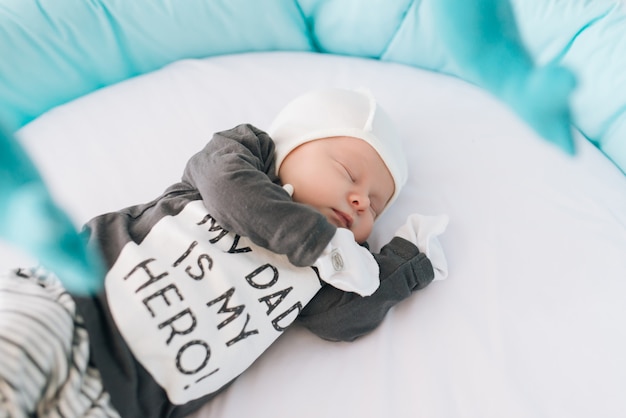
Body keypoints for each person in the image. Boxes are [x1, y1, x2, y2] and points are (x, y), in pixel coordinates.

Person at [0, 88, 448, 417]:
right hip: (72, 305)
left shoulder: (328, 270)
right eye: (348, 173)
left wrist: (407, 262)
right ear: (289, 146)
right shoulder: (242, 160)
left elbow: (343, 318)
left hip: (120, 398)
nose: (360, 201)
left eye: (375, 204)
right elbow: (226, 186)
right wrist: (320, 244)